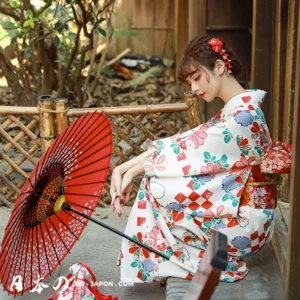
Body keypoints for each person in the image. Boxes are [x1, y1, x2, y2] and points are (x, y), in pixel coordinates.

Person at [109, 36, 284, 283]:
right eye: (190, 81)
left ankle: (166, 261)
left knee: (156, 186)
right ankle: (165, 259)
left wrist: (131, 171)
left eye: (196, 78)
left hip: (247, 225)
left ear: (220, 68)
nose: (193, 88)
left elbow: (188, 149)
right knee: (157, 182)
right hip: (243, 212)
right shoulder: (237, 110)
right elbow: (184, 142)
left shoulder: (243, 118)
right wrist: (124, 168)